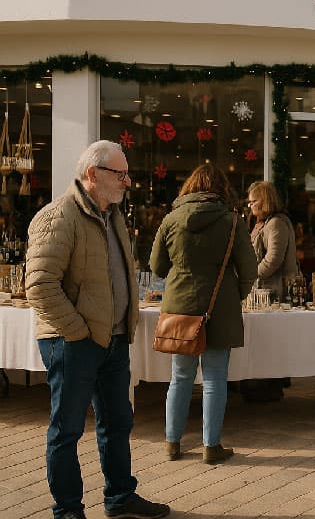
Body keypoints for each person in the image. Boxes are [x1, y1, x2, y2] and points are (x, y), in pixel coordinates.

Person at [25, 140, 170, 519]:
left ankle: (120, 497)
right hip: (73, 342)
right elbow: (39, 285)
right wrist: (78, 331)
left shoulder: (113, 216)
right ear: (93, 174)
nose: (127, 182)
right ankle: (68, 510)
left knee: (118, 422)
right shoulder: (57, 216)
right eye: (119, 174)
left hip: (113, 339)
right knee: (67, 429)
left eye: (127, 174)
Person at [150, 164, 257, 465]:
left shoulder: (170, 220)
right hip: (218, 307)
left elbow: (157, 266)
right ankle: (211, 446)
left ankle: (172, 443)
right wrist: (235, 295)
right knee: (214, 379)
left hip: (179, 305)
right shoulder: (233, 223)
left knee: (179, 378)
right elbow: (249, 270)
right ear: (222, 189)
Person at [247, 180, 297, 300]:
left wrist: (250, 275)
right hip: (266, 289)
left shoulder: (276, 223)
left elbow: (273, 260)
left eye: (254, 201)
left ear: (265, 201)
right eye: (250, 202)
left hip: (275, 292)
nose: (250, 205)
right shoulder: (265, 222)